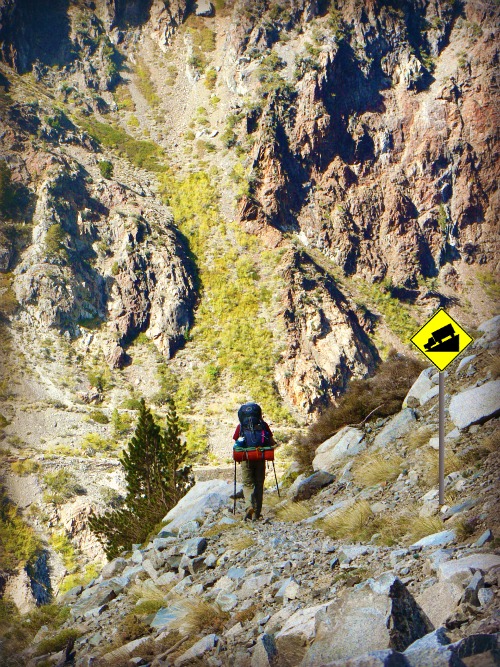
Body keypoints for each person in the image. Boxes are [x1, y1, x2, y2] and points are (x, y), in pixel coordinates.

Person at [233, 402, 275, 521]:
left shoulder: (240, 427)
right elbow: (271, 442)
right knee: (259, 484)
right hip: (260, 458)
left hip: (246, 458)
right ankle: (257, 513)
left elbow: (236, 442)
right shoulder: (263, 425)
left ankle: (249, 506)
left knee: (248, 484)